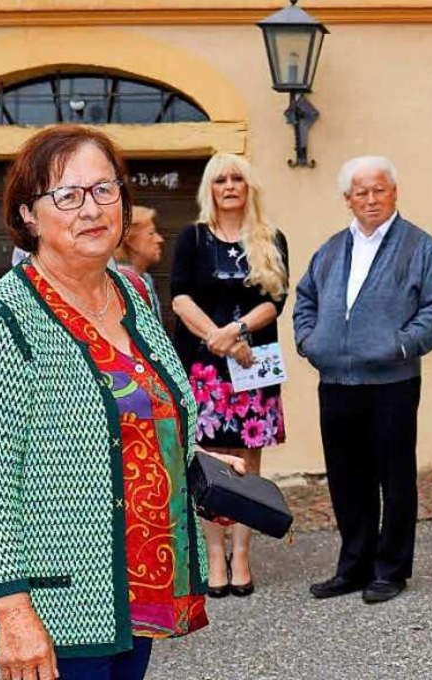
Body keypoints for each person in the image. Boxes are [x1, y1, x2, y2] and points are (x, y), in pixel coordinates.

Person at [0, 125, 243, 680]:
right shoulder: (4, 320)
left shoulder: (132, 290)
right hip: (62, 601)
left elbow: (146, 410)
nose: (90, 209)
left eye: (103, 189)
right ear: (27, 216)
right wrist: (13, 612)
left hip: (140, 582)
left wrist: (195, 465)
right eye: (66, 195)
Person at [294, 156, 432, 605]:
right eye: (360, 192)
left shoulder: (421, 247)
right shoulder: (329, 250)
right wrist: (310, 342)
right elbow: (304, 299)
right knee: (347, 479)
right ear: (347, 199)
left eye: (378, 190)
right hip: (336, 382)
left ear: (394, 192)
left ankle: (391, 568)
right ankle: (354, 566)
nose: (370, 199)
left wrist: (402, 345)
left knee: (394, 477)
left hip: (392, 383)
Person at [171, 152, 289, 598]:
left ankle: (241, 555)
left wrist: (238, 333)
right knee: (209, 463)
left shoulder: (270, 237)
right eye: (221, 179)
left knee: (248, 464)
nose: (230, 185)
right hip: (203, 369)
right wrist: (218, 338)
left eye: (238, 177)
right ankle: (213, 555)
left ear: (250, 186)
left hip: (252, 366)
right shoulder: (192, 238)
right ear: (210, 188)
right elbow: (180, 297)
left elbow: (274, 300)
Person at [114, 205, 165, 318]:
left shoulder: (146, 279)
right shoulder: (118, 282)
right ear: (130, 241)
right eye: (151, 233)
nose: (159, 240)